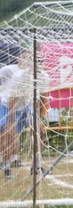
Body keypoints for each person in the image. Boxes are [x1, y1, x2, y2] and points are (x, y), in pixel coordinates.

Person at [0, 48, 31, 180]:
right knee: (6, 134)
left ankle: (14, 159)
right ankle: (7, 166)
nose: (28, 61)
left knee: (15, 136)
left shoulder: (33, 74)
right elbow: (12, 97)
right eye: (25, 57)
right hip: (6, 105)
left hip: (23, 107)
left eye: (30, 59)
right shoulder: (8, 70)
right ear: (19, 59)